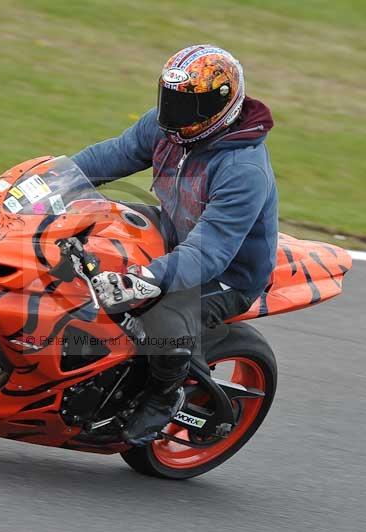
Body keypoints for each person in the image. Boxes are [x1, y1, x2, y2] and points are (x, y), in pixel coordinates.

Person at [73, 44, 278, 445]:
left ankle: (165, 394)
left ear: (221, 105)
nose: (175, 113)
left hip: (227, 272)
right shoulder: (166, 129)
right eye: (172, 99)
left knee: (161, 313)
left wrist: (148, 279)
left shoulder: (243, 170)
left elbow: (209, 252)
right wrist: (46, 182)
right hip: (174, 230)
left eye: (190, 105)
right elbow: (110, 156)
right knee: (93, 225)